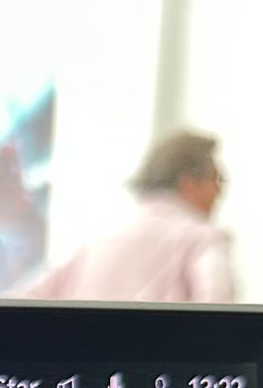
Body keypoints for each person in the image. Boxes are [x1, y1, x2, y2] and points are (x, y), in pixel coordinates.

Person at [18, 130, 235, 304]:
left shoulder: (100, 233)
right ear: (189, 184)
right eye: (218, 180)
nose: (220, 192)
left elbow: (22, 300)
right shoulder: (201, 238)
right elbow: (218, 311)